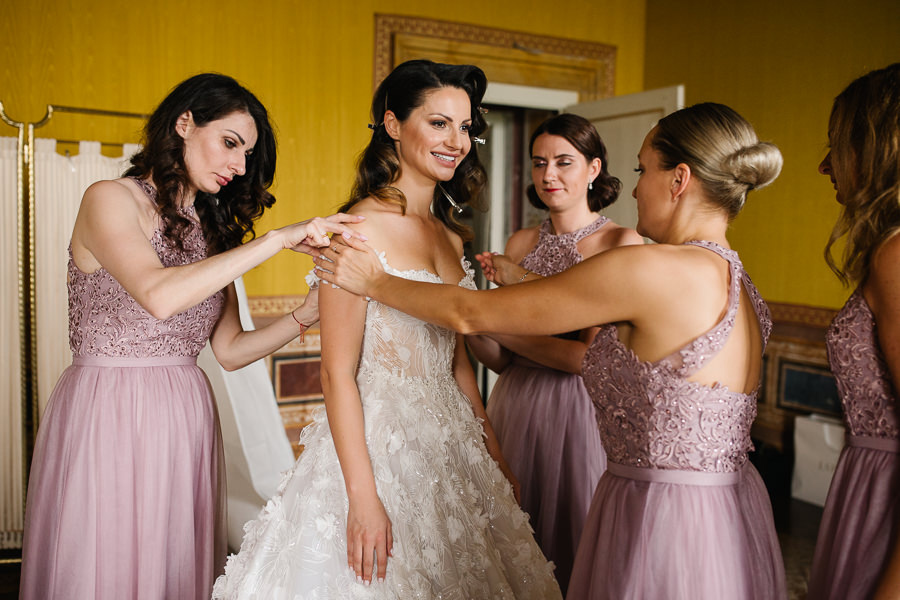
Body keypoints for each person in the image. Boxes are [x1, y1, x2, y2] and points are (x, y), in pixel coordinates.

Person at [316, 102, 789, 599]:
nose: (635, 187)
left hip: (661, 510)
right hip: (731, 508)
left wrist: (374, 279)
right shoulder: (736, 278)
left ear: (680, 179)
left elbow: (469, 314)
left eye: (642, 169)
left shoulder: (651, 268)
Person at [212, 60, 562, 599]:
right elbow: (337, 373)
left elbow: (458, 363)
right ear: (394, 125)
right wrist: (363, 497)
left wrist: (495, 456)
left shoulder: (450, 238)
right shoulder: (354, 230)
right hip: (378, 447)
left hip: (454, 449)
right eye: (439, 123)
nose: (457, 140)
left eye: (465, 127)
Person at [18, 73, 365, 600]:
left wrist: (306, 314)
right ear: (184, 123)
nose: (239, 166)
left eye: (248, 154)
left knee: (172, 564)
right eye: (230, 143)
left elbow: (229, 352)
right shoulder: (108, 198)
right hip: (107, 408)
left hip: (185, 411)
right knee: (103, 560)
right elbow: (157, 295)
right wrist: (276, 239)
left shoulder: (209, 232)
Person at [466, 113, 642, 594]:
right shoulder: (521, 242)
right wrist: (465, 326)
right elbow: (501, 361)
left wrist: (493, 320)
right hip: (516, 403)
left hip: (582, 412)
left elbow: (582, 360)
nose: (548, 176)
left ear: (593, 168)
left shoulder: (619, 243)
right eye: (539, 163)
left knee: (576, 534)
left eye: (564, 162)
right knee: (517, 538)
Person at [807, 63, 900, 600]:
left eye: (837, 146)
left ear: (878, 148)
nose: (824, 166)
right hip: (865, 485)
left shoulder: (896, 256)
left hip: (888, 500)